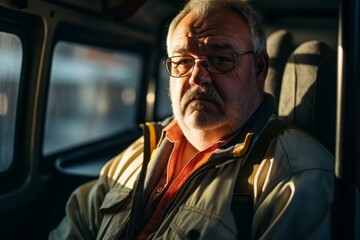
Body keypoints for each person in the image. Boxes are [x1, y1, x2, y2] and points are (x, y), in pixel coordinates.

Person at [49, 0, 335, 239]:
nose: (197, 77)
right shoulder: (141, 151)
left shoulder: (295, 176)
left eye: (221, 59)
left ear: (259, 70)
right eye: (183, 61)